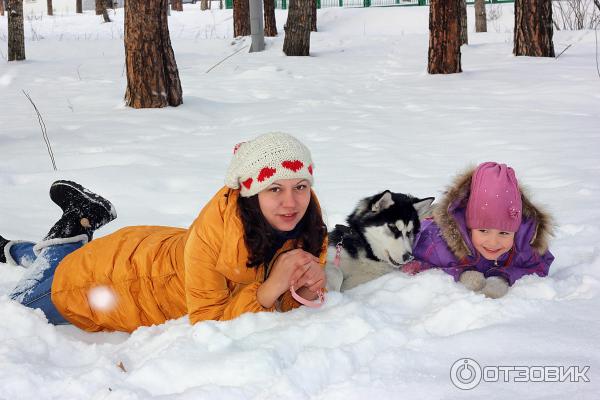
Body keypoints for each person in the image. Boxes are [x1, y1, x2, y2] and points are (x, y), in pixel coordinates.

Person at [0, 132, 328, 332]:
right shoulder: (213, 237)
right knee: (15, 309)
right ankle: (72, 225)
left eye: (300, 186)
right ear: (250, 193)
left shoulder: (308, 228)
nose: (290, 202)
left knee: (58, 265)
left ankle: (28, 247)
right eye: (274, 189)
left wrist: (307, 291)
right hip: (108, 281)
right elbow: (210, 322)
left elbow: (285, 292)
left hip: (145, 249)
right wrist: (270, 289)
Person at [402, 162, 554, 298]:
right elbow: (415, 261)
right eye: (483, 231)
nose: (493, 242)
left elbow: (540, 265)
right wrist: (462, 273)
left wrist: (503, 276)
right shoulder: (438, 242)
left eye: (504, 233)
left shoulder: (524, 244)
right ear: (468, 226)